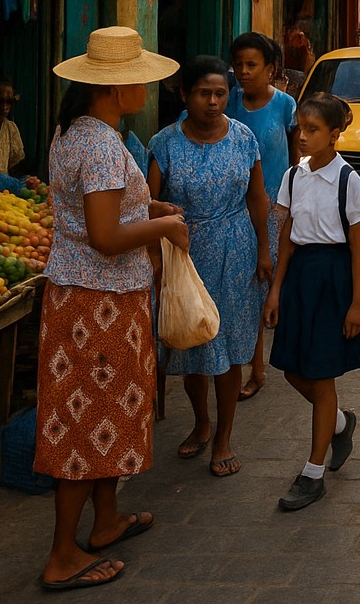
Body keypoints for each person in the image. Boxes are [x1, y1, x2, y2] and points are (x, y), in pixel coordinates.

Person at [35, 28, 189, 591]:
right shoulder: (101, 144)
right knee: (83, 424)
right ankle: (61, 556)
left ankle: (105, 523)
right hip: (94, 305)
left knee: (105, 416)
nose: (149, 86)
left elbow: (101, 202)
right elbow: (103, 232)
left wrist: (149, 205)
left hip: (92, 301)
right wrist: (166, 226)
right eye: (142, 78)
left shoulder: (78, 132)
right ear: (115, 86)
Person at [147, 57, 272, 478]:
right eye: (204, 93)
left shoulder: (243, 138)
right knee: (193, 344)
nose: (214, 102)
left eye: (221, 93)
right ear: (185, 95)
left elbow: (258, 199)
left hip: (237, 253)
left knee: (231, 349)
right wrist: (156, 263)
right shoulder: (163, 143)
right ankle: (200, 423)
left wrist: (263, 251)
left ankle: (223, 437)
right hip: (186, 257)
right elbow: (146, 205)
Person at [264, 93, 360, 512]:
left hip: (332, 280)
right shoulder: (294, 176)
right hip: (298, 280)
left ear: (335, 135)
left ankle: (313, 473)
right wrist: (275, 290)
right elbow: (286, 237)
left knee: (322, 373)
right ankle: (342, 422)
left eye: (313, 130)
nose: (303, 137)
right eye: (301, 128)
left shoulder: (348, 182)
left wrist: (358, 303)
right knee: (292, 369)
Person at [225, 33, 300, 400]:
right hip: (233, 208)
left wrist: (293, 199)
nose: (243, 72)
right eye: (238, 65)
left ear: (271, 69)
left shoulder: (286, 105)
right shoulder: (226, 104)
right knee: (244, 287)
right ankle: (247, 365)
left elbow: (295, 155)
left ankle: (257, 368)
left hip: (273, 207)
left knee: (262, 284)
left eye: (252, 65)